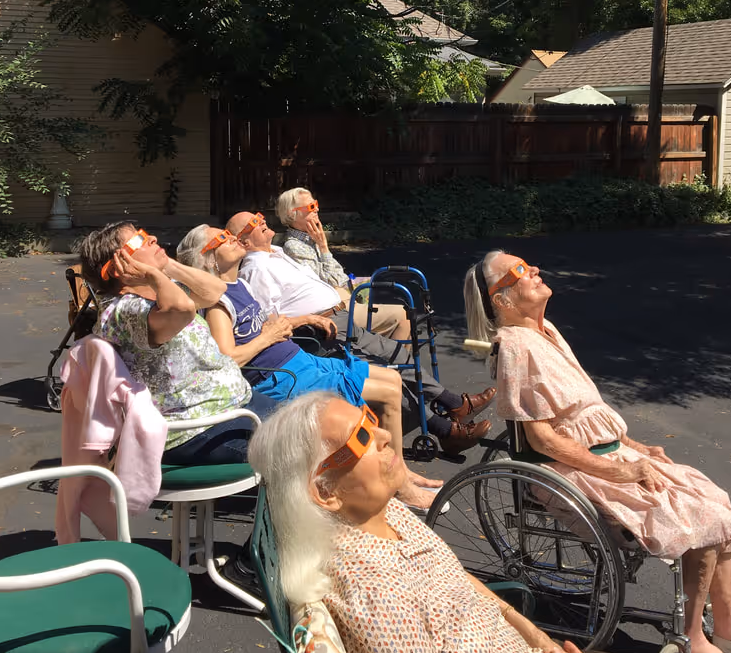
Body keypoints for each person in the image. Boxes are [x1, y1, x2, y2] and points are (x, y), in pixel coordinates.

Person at [248, 391, 724, 653]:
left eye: (370, 419)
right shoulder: (374, 591)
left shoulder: (382, 512)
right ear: (325, 492)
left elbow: (460, 580)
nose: (383, 436)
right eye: (358, 439)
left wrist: (547, 646)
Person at [464, 249, 731, 653]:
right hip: (572, 472)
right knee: (702, 517)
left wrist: (634, 446)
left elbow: (590, 414)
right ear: (501, 299)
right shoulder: (514, 345)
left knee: (713, 498)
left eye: (529, 264)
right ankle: (693, 639)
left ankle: (727, 621)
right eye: (518, 270)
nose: (533, 270)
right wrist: (618, 473)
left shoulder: (546, 331)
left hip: (609, 457)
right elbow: (543, 440)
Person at [175, 223, 441, 509]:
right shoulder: (219, 304)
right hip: (282, 377)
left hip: (299, 361)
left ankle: (399, 472)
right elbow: (229, 359)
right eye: (223, 238)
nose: (233, 238)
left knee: (394, 381)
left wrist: (300, 321)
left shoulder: (240, 284)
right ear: (210, 258)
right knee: (388, 395)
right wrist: (268, 337)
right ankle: (398, 486)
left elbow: (266, 326)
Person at [228, 209, 494, 455]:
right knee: (392, 374)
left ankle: (454, 405)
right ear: (244, 243)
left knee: (399, 353)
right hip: (321, 328)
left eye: (260, 217)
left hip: (339, 313)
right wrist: (310, 318)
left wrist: (323, 249)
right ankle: (446, 427)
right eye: (253, 223)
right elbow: (272, 321)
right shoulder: (256, 268)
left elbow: (331, 275)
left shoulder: (276, 251)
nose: (261, 221)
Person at [78, 222, 265, 467]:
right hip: (192, 432)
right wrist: (154, 274)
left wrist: (166, 264)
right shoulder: (121, 312)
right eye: (139, 241)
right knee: (308, 444)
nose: (153, 238)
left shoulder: (163, 291)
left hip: (231, 407)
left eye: (146, 234)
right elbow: (182, 310)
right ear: (117, 268)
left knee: (319, 419)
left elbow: (215, 291)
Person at [276, 186, 410, 340]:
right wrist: (324, 247)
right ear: (292, 214)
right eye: (311, 207)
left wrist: (322, 246)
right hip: (331, 310)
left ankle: (394, 359)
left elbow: (340, 279)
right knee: (404, 315)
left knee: (407, 316)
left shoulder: (311, 238)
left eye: (317, 204)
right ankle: (399, 361)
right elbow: (328, 283)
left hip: (341, 300)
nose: (317, 210)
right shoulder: (294, 247)